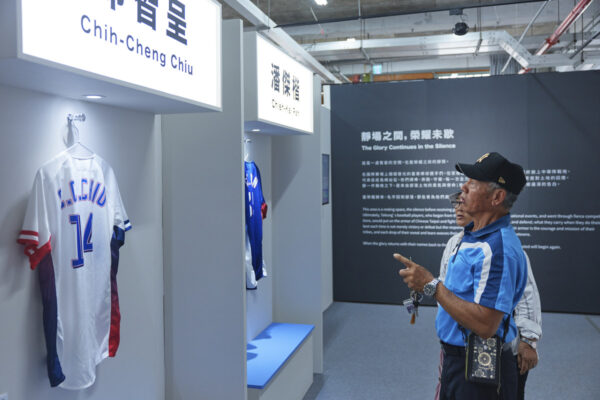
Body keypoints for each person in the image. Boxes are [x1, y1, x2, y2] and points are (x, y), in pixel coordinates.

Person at [394, 152, 528, 400]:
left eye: (473, 183)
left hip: (479, 369)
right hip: (457, 361)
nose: (463, 188)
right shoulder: (473, 235)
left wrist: (430, 284)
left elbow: (485, 325)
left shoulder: (496, 250)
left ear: (497, 197)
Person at [434, 192, 542, 400]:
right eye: (456, 203)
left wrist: (529, 341)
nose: (458, 208)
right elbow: (446, 288)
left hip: (494, 347)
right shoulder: (454, 244)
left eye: (464, 203)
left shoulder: (501, 246)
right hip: (456, 348)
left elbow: (526, 295)